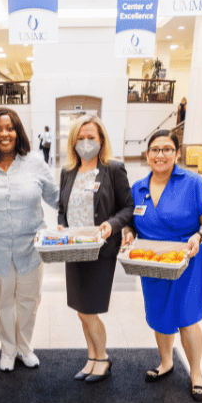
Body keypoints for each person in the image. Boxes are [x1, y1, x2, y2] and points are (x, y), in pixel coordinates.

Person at [122, 130, 202, 401]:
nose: (160, 155)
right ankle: (166, 362)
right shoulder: (138, 187)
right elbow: (131, 221)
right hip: (152, 262)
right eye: (154, 149)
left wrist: (198, 235)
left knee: (187, 319)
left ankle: (196, 373)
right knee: (160, 317)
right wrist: (128, 233)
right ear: (147, 154)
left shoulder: (193, 183)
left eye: (166, 149)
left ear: (177, 153)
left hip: (186, 260)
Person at [0, 108, 59, 371]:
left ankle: (24, 347)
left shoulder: (35, 163)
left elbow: (56, 198)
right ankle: (8, 349)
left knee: (29, 300)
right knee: (2, 301)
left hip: (30, 248)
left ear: (18, 132)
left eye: (10, 128)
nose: (4, 134)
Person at [58, 115, 133, 383]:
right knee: (81, 309)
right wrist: (59, 226)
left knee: (90, 309)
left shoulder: (113, 169)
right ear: (73, 141)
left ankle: (102, 358)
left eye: (92, 137)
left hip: (100, 251)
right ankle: (91, 357)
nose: (86, 142)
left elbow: (128, 207)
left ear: (101, 141)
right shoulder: (67, 172)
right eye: (81, 138)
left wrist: (112, 225)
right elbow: (62, 208)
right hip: (73, 249)